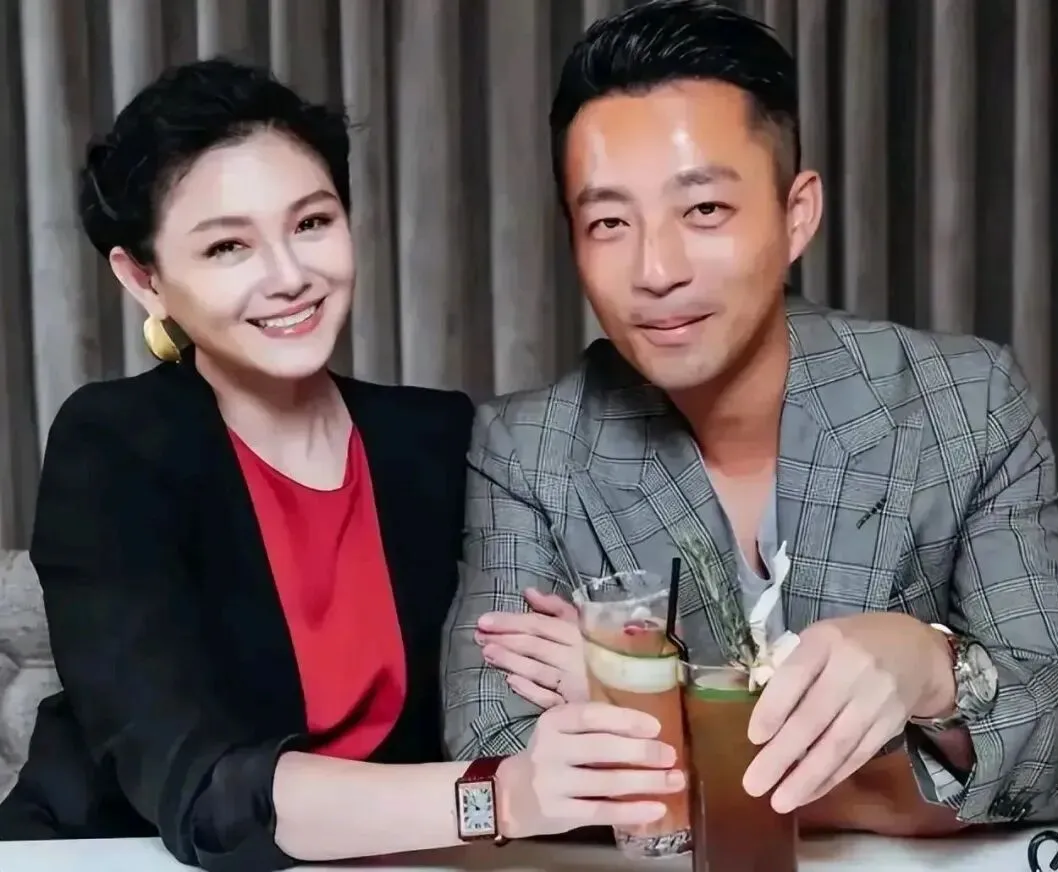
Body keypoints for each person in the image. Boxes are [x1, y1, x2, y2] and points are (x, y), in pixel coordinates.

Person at [0, 59, 687, 872]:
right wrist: (500, 795)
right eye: (227, 246)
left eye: (312, 223)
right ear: (144, 279)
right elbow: (209, 794)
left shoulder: (440, 437)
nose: (290, 276)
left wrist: (598, 682)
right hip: (114, 857)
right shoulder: (114, 448)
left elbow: (509, 684)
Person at [443, 0, 1058, 838]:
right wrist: (898, 786)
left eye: (704, 210)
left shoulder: (962, 400)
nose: (656, 269)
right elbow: (493, 752)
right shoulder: (527, 448)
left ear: (795, 214)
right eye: (608, 223)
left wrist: (932, 668)